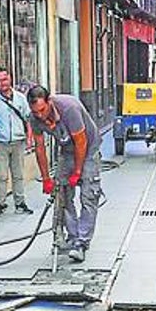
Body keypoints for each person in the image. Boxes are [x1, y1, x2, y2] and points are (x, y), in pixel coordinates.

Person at [28, 85, 101, 263]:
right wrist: (46, 178)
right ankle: (73, 236)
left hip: (88, 149)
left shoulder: (70, 109)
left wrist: (77, 172)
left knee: (88, 195)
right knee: (62, 194)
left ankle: (82, 243)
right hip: (66, 150)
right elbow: (39, 148)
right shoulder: (34, 118)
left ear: (49, 102)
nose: (40, 115)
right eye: (35, 112)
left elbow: (81, 142)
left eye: (42, 110)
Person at [0, 68, 34, 216]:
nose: (1, 83)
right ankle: (1, 203)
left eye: (4, 79)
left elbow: (28, 119)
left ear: (10, 79)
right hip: (1, 144)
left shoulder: (20, 98)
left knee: (18, 174)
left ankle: (20, 202)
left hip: (18, 142)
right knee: (1, 175)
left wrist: (29, 137)